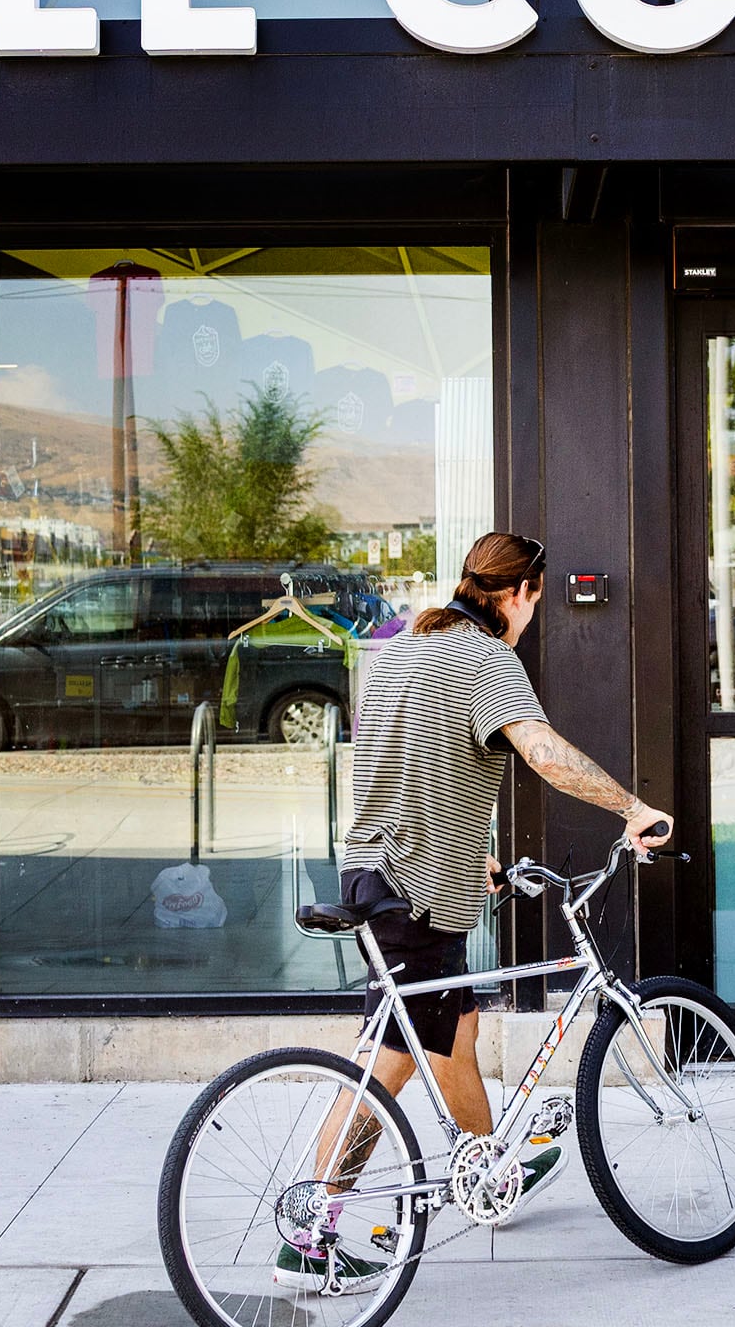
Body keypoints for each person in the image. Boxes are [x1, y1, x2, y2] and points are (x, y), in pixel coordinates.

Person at [282, 530, 669, 1287]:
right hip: (416, 896)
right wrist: (631, 807)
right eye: (535, 601)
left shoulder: (399, 647)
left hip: (382, 872)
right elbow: (544, 753)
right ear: (518, 594)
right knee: (388, 1062)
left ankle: (490, 1173)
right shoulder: (487, 658)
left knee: (456, 1031)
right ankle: (309, 1229)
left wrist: (472, 853)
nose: (534, 616)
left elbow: (405, 760)